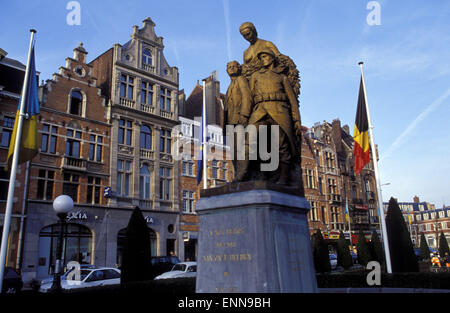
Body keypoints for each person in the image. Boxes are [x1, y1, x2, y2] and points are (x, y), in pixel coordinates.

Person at [248, 48, 302, 185]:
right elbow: (250, 97)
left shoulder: (281, 77)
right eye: (261, 57)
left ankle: (284, 177)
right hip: (260, 110)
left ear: (272, 58)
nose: (263, 59)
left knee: (281, 144)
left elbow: (292, 100)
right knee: (253, 138)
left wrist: (296, 120)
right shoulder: (256, 76)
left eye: (265, 56)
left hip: (279, 111)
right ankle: (260, 174)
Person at [223, 61, 253, 181]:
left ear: (238, 68)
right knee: (234, 151)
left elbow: (247, 96)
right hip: (231, 122)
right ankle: (237, 174)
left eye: (233, 66)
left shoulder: (241, 80)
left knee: (241, 148)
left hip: (239, 120)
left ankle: (243, 174)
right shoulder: (229, 86)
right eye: (229, 67)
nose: (231, 68)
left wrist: (245, 115)